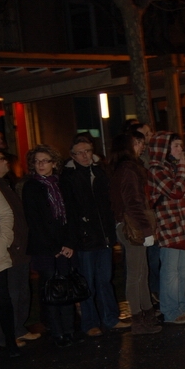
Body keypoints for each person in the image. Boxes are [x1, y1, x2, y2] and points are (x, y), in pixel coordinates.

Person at [61, 135, 129, 336]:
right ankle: (90, 322)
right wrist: (74, 238)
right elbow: (70, 210)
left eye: (88, 151)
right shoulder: (68, 176)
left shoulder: (99, 172)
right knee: (87, 282)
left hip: (103, 236)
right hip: (84, 239)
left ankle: (110, 318)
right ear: (72, 155)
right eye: (79, 152)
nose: (84, 156)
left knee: (104, 280)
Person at [22, 145, 77, 347]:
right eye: (37, 161)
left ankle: (70, 328)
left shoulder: (62, 184)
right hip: (45, 247)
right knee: (51, 289)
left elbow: (71, 215)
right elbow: (35, 220)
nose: (41, 165)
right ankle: (56, 330)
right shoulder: (32, 187)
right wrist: (53, 247)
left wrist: (69, 243)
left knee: (66, 287)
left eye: (45, 160)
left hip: (65, 245)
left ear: (54, 163)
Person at [109, 132, 161, 335]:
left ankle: (145, 314)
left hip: (129, 224)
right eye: (137, 142)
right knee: (136, 274)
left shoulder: (123, 168)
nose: (142, 146)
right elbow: (133, 202)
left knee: (141, 272)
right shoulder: (128, 169)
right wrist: (146, 229)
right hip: (132, 226)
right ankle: (140, 318)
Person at [147, 132, 185, 323]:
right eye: (175, 146)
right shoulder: (156, 169)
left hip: (182, 227)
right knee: (170, 271)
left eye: (180, 146)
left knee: (181, 269)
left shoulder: (174, 167)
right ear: (164, 149)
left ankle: (182, 305)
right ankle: (170, 310)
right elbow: (176, 192)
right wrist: (184, 168)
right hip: (169, 228)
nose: (180, 150)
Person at [0, 149, 39, 348]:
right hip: (9, 249)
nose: (6, 163)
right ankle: (8, 335)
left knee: (22, 290)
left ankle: (18, 329)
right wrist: (5, 240)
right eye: (1, 159)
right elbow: (4, 216)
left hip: (20, 245)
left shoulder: (5, 184)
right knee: (10, 293)